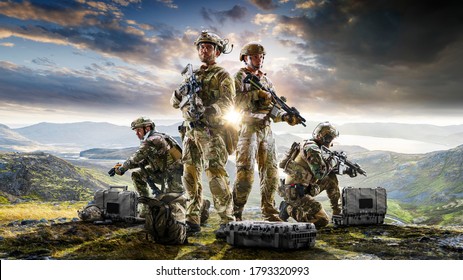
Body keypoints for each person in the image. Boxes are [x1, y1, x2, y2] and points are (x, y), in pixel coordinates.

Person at [170, 31, 235, 236]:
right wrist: (180, 93)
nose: (203, 50)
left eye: (208, 47)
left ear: (216, 51)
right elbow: (174, 103)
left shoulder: (223, 75)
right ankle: (192, 219)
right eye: (200, 47)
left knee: (215, 176)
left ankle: (227, 221)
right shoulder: (193, 76)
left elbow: (227, 103)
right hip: (190, 134)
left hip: (211, 132)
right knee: (189, 176)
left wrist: (207, 110)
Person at [232, 42, 301, 222]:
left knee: (270, 173)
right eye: (255, 56)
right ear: (245, 57)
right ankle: (236, 213)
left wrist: (286, 118)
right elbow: (234, 102)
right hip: (248, 129)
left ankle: (269, 211)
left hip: (266, 129)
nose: (259, 59)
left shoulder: (266, 81)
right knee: (245, 172)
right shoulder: (238, 77)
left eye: (261, 56)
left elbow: (273, 109)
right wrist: (257, 95)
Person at [278, 121, 357, 227]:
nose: (332, 143)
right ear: (326, 138)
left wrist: (347, 170)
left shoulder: (313, 145)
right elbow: (320, 174)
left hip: (304, 187)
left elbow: (326, 170)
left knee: (331, 179)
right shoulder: (312, 149)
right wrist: (333, 161)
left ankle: (337, 213)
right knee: (322, 220)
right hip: (295, 193)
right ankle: (288, 209)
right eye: (331, 140)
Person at [109, 117, 184, 217]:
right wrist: (121, 167)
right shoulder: (158, 138)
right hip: (162, 173)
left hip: (172, 177)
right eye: (135, 131)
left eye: (138, 130)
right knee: (137, 174)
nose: (137, 134)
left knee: (175, 204)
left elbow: (136, 157)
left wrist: (122, 169)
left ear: (147, 128)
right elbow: (142, 161)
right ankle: (146, 208)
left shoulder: (153, 140)